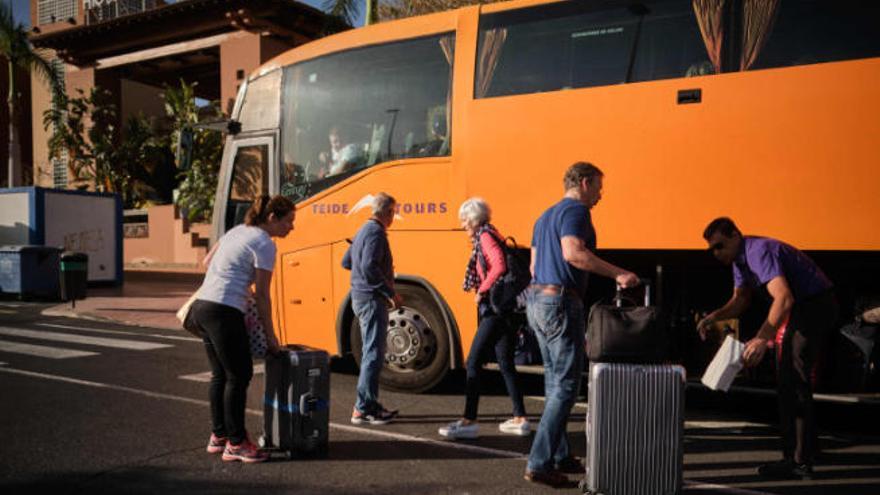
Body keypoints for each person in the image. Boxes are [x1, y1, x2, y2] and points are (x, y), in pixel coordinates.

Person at [524, 162, 639, 487]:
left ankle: (560, 455)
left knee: (553, 382)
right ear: (585, 182)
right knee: (565, 387)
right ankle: (539, 462)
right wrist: (618, 273)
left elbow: (534, 263)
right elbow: (573, 253)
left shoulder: (544, 216)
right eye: (599, 187)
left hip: (537, 300)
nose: (601, 195)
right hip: (561, 300)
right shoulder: (576, 211)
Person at [697, 217, 838, 480]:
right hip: (803, 307)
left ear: (735, 235)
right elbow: (740, 300)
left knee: (792, 378)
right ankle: (805, 451)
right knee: (788, 377)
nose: (716, 254)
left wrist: (762, 338)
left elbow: (784, 297)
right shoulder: (739, 259)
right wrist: (713, 317)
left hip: (814, 305)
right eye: (711, 250)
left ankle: (798, 462)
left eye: (719, 246)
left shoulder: (758, 251)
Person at [189, 195, 295, 463]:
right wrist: (272, 338)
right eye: (288, 221)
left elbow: (206, 263)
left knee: (220, 375)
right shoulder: (264, 243)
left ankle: (219, 436)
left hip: (202, 306)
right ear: (272, 218)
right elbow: (262, 296)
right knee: (239, 375)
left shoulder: (237, 231)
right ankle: (236, 444)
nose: (291, 228)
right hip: (224, 311)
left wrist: (234, 280)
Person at [438, 198, 529, 440]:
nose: (462, 223)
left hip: (495, 308)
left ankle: (469, 420)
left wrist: (482, 290)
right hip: (506, 308)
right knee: (505, 362)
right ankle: (520, 418)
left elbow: (498, 265)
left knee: (474, 362)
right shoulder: (492, 233)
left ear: (475, 218)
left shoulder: (485, 237)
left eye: (464, 218)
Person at [342, 192, 402, 425]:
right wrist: (390, 292)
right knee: (373, 354)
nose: (393, 218)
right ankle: (364, 407)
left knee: (371, 352)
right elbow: (368, 266)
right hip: (371, 299)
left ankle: (368, 404)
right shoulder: (376, 233)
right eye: (393, 213)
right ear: (387, 212)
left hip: (359, 296)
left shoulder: (362, 230)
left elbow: (347, 262)